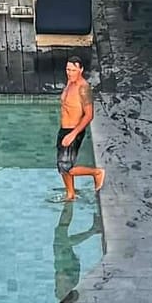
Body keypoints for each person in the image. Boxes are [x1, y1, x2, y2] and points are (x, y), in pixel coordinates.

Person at [56, 60, 103, 200]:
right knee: (61, 165)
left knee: (67, 167)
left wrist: (73, 134)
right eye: (68, 70)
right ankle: (70, 193)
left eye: (73, 70)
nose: (69, 73)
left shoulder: (84, 88)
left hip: (74, 130)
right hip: (64, 129)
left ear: (81, 70)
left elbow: (89, 115)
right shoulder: (70, 82)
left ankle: (96, 173)